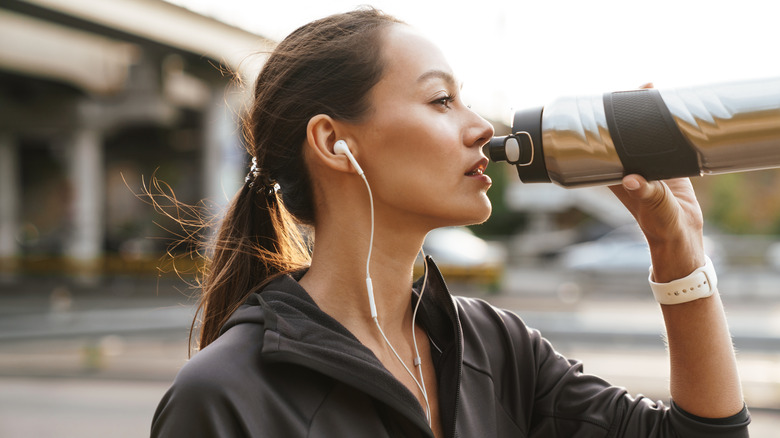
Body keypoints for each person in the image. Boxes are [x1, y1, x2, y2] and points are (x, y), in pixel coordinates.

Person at [151, 7, 750, 437]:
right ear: (335, 142)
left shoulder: (497, 349)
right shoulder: (227, 397)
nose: (482, 128)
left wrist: (679, 249)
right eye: (442, 101)